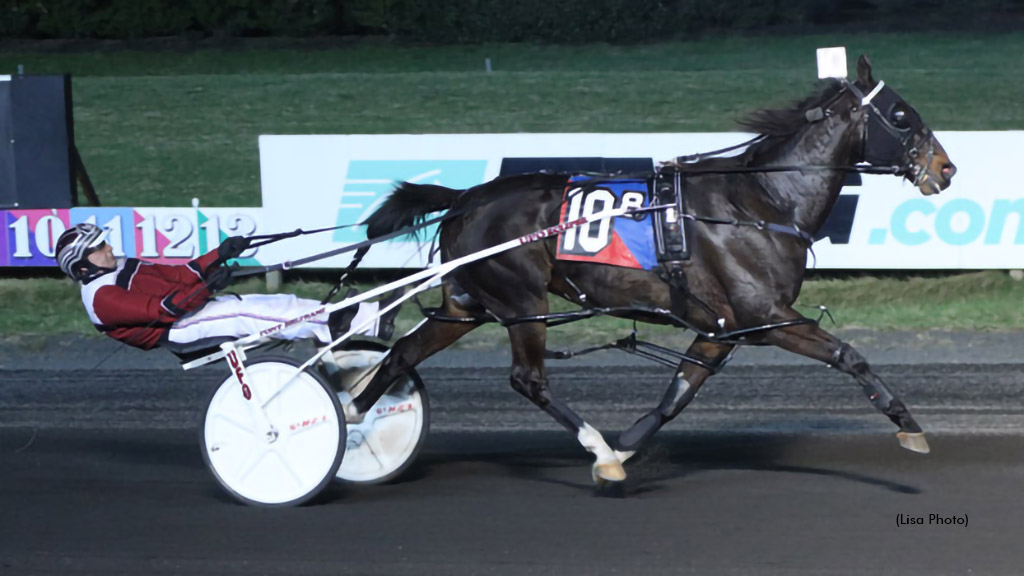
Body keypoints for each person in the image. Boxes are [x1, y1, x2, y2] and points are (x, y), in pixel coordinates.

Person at [54, 222, 402, 352]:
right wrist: (206, 289)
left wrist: (218, 255)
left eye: (104, 242)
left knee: (276, 301)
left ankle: (371, 318)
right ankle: (337, 323)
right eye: (99, 248)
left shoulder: (122, 264)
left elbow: (181, 275)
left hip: (188, 311)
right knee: (244, 311)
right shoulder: (102, 298)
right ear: (83, 265)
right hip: (177, 330)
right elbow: (164, 310)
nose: (109, 248)